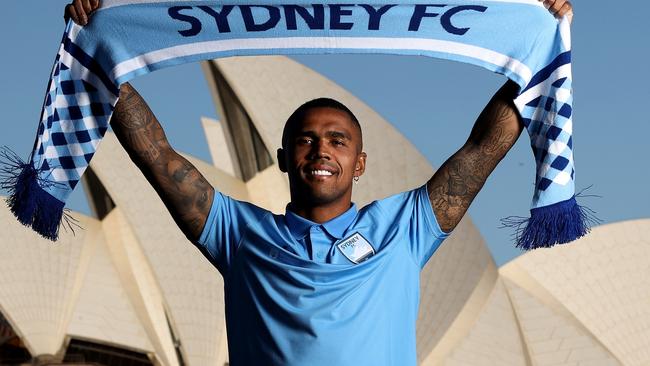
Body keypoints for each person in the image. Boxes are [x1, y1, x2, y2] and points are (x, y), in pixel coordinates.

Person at [66, 1, 573, 364]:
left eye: (338, 140)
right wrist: (103, 52)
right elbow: (157, 157)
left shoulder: (405, 226)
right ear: (285, 159)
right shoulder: (239, 233)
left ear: (360, 163)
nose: (322, 150)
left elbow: (482, 150)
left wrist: (535, 57)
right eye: (306, 141)